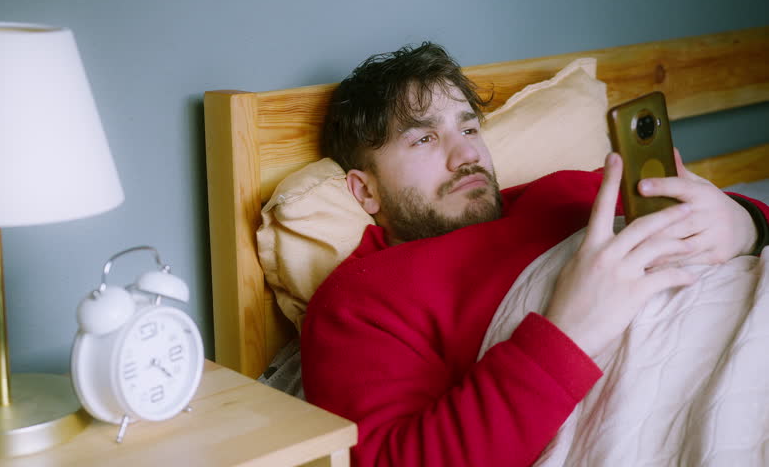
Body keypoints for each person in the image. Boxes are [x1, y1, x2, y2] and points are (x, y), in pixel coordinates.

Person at [299, 42, 769, 466]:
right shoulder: (360, 297)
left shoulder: (569, 187)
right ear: (366, 191)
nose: (466, 154)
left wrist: (745, 223)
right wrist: (568, 335)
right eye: (424, 139)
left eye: (469, 127)